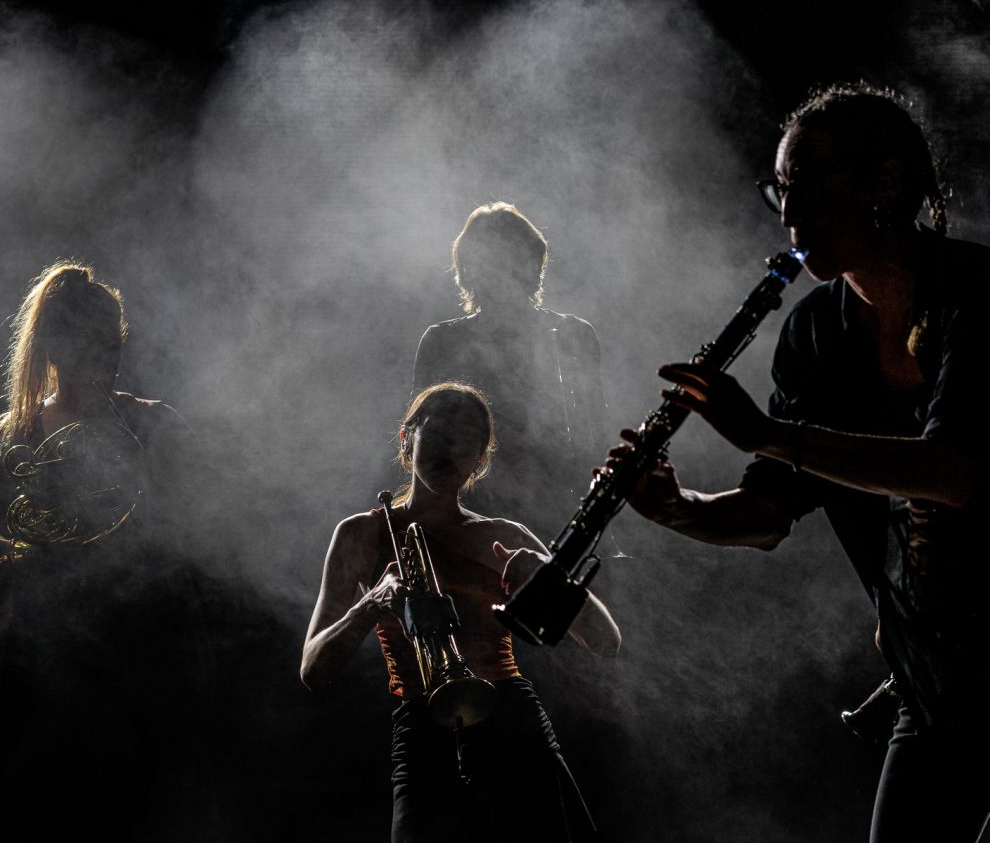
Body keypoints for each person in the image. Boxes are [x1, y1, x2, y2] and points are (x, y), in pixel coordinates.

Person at [606, 82, 990, 841]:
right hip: (936, 681)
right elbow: (768, 515)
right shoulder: (815, 334)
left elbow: (953, 474)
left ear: (885, 183)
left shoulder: (976, 294)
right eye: (779, 191)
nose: (788, 215)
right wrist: (675, 506)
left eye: (807, 187)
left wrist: (765, 433)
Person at [0, 260, 207, 841]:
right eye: (90, 344)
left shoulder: (152, 423)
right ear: (53, 349)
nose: (105, 359)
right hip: (40, 654)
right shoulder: (13, 432)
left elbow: (196, 530)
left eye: (112, 345)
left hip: (138, 645)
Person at [302, 381, 620, 842]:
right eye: (438, 433)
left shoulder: (504, 535)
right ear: (406, 439)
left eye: (468, 440)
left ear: (480, 460)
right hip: (421, 726)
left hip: (512, 722)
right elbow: (313, 670)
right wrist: (368, 605)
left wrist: (549, 577)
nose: (451, 449)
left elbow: (606, 643)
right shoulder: (359, 535)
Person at [412, 202, 611, 542]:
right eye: (488, 260)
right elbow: (420, 442)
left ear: (534, 265)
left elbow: (596, 431)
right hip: (467, 508)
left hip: (557, 504)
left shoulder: (572, 335)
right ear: (468, 269)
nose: (501, 270)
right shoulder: (443, 341)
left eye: (513, 257)